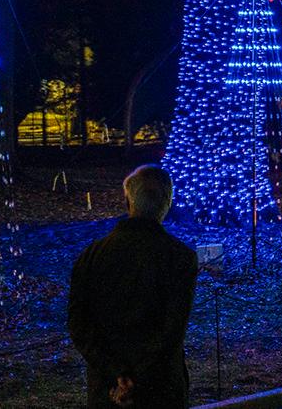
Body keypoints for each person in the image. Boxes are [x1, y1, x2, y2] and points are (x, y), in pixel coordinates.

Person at [69, 166, 198, 409]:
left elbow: (79, 324)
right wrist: (139, 377)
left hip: (107, 390)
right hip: (160, 389)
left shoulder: (93, 256)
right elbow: (171, 330)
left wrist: (117, 374)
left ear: (128, 200)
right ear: (167, 203)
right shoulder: (179, 258)